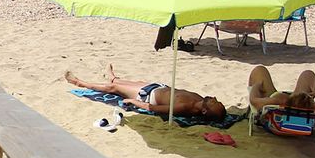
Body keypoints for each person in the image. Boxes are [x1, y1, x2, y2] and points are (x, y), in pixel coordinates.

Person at [64, 66, 226, 119]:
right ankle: (113, 76)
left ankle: (79, 82)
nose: (214, 98)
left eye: (214, 102)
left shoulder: (184, 107)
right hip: (158, 87)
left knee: (112, 89)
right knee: (118, 83)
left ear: (204, 110)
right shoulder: (199, 99)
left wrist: (133, 102)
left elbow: (153, 108)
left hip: (146, 95)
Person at [248, 64, 315, 124]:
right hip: (303, 118)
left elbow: (253, 100)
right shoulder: (313, 107)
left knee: (260, 70)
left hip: (275, 120)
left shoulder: (279, 101)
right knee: (308, 74)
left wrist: (256, 86)